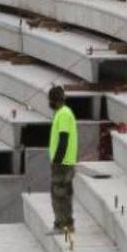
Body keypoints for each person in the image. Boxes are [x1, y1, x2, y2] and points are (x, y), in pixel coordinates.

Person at [48, 85, 78, 235]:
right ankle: (65, 224)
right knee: (63, 193)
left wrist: (56, 161)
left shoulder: (64, 114)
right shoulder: (62, 113)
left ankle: (63, 225)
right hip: (64, 161)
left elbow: (63, 140)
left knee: (60, 194)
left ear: (55, 100)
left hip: (63, 162)